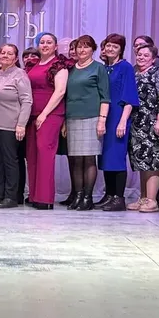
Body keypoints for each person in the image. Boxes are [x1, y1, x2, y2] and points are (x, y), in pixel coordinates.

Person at [0, 44, 33, 208]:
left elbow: (27, 100)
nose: (5, 56)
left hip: (9, 125)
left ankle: (11, 196)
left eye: (9, 54)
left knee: (10, 161)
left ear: (15, 58)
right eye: (3, 53)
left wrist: (21, 124)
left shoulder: (20, 74)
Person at [64, 35, 111, 211]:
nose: (82, 50)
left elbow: (105, 97)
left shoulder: (99, 68)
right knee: (76, 160)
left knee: (89, 159)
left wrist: (102, 120)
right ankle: (78, 195)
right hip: (72, 118)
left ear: (93, 49)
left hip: (92, 117)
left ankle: (88, 197)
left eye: (86, 47)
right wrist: (64, 122)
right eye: (79, 47)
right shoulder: (71, 69)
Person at [26, 32, 71, 210]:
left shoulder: (59, 66)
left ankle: (45, 198)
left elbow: (60, 91)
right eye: (42, 42)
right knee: (32, 155)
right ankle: (34, 195)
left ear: (55, 46)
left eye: (49, 42)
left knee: (45, 153)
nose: (45, 45)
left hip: (50, 114)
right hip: (32, 114)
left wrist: (44, 114)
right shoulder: (34, 65)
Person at [96, 34, 139, 212]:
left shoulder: (125, 67)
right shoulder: (104, 68)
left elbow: (129, 97)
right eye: (108, 45)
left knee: (117, 157)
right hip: (104, 116)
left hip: (118, 116)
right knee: (105, 157)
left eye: (115, 46)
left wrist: (123, 121)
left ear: (121, 49)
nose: (111, 49)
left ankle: (119, 198)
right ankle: (109, 194)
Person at [127, 44, 159, 213]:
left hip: (152, 122)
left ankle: (152, 200)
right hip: (137, 123)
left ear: (153, 59)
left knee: (153, 161)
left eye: (146, 55)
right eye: (139, 54)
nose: (141, 57)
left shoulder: (158, 72)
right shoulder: (135, 73)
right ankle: (143, 198)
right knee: (142, 161)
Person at [58, 39, 79, 206]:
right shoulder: (66, 68)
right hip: (65, 115)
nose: (72, 51)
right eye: (70, 48)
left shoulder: (86, 69)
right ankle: (74, 191)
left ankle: (82, 193)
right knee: (70, 157)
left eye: (75, 48)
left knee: (82, 158)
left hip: (81, 116)